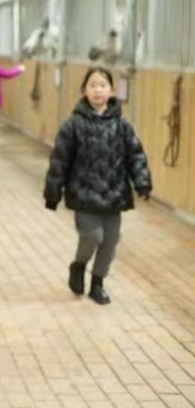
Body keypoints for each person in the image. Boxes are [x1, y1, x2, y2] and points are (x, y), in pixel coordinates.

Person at [44, 67, 152, 305]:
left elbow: (136, 155)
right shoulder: (73, 125)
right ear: (85, 90)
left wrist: (142, 182)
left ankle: (97, 284)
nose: (97, 90)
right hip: (84, 194)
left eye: (103, 85)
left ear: (112, 91)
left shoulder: (122, 125)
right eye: (92, 85)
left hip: (114, 194)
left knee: (111, 242)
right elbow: (60, 159)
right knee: (93, 236)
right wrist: (53, 192)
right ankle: (79, 265)